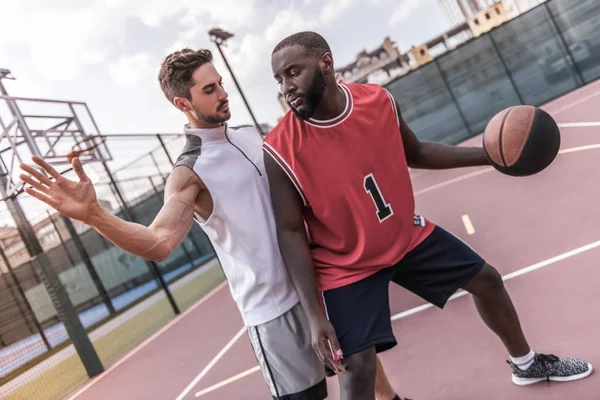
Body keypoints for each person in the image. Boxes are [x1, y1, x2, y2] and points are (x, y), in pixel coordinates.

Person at [18, 48, 408, 400]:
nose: (223, 93)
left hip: (317, 281)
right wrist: (95, 215)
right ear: (182, 102)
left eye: (221, 83)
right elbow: (158, 242)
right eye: (209, 89)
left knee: (364, 368)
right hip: (273, 310)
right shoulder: (190, 172)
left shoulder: (250, 135)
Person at [262, 31, 593, 400]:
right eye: (279, 79)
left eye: (293, 72)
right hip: (346, 264)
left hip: (403, 236)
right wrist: (314, 315)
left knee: (487, 281)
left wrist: (489, 156)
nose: (286, 87)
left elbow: (415, 151)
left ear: (326, 63)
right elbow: (290, 231)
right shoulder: (279, 148)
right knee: (358, 371)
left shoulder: (378, 100)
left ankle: (527, 365)